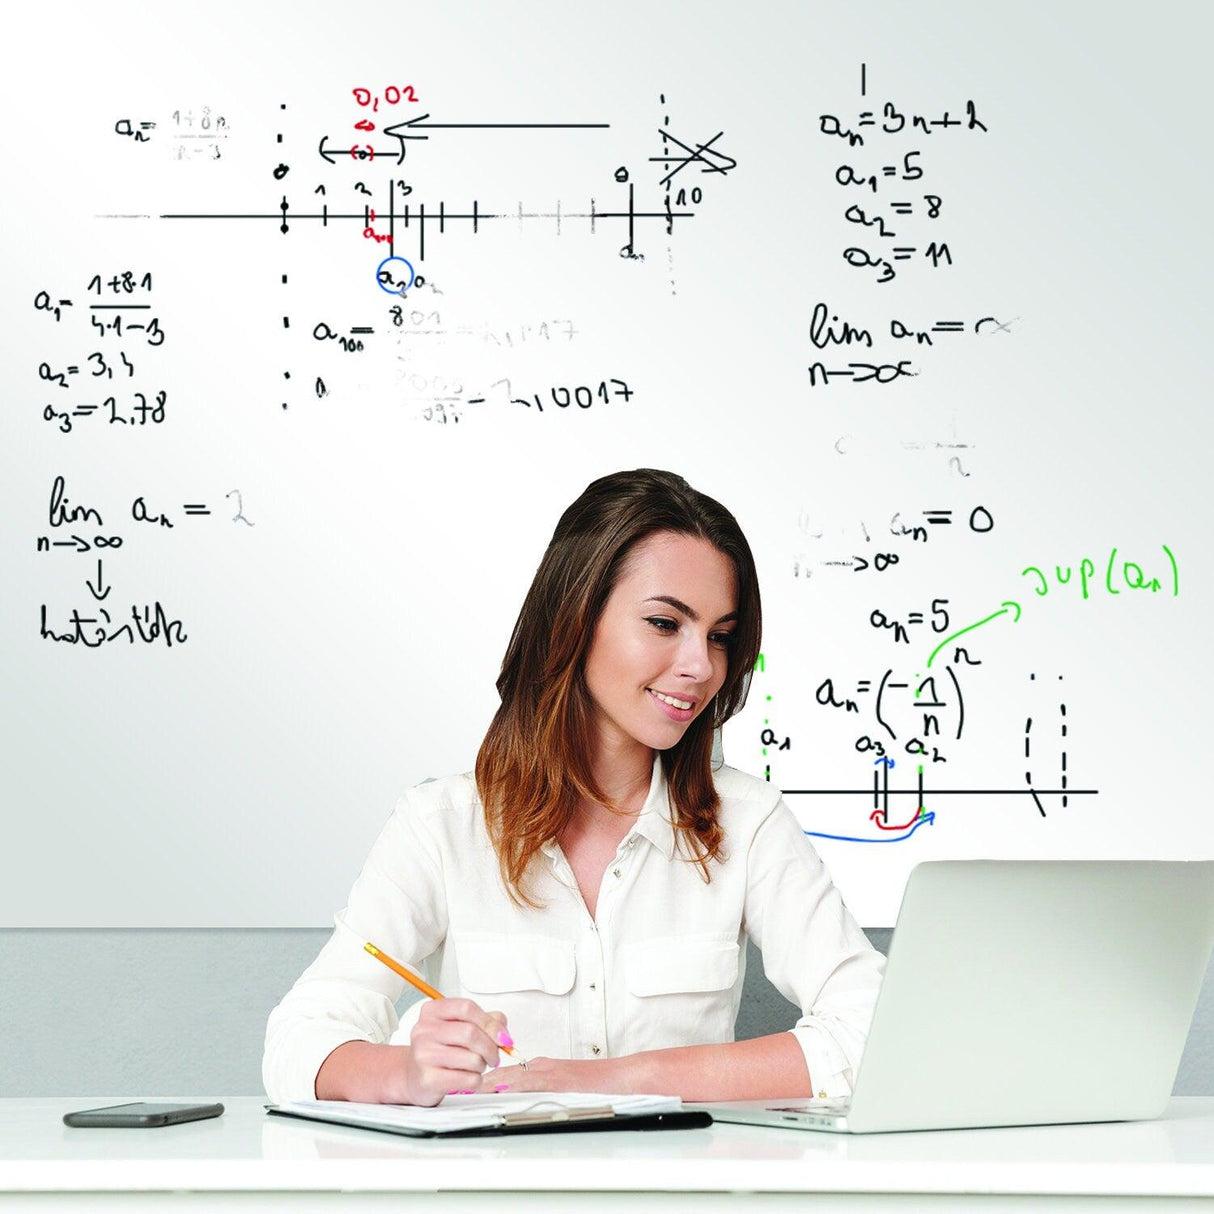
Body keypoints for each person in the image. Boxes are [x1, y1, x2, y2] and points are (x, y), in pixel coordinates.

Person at [262, 468, 885, 1107]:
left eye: (720, 636)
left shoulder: (748, 823)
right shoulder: (440, 824)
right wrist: (403, 1073)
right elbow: (297, 1041)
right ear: (575, 618)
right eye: (666, 624)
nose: (702, 666)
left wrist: (618, 1078)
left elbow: (874, 1034)